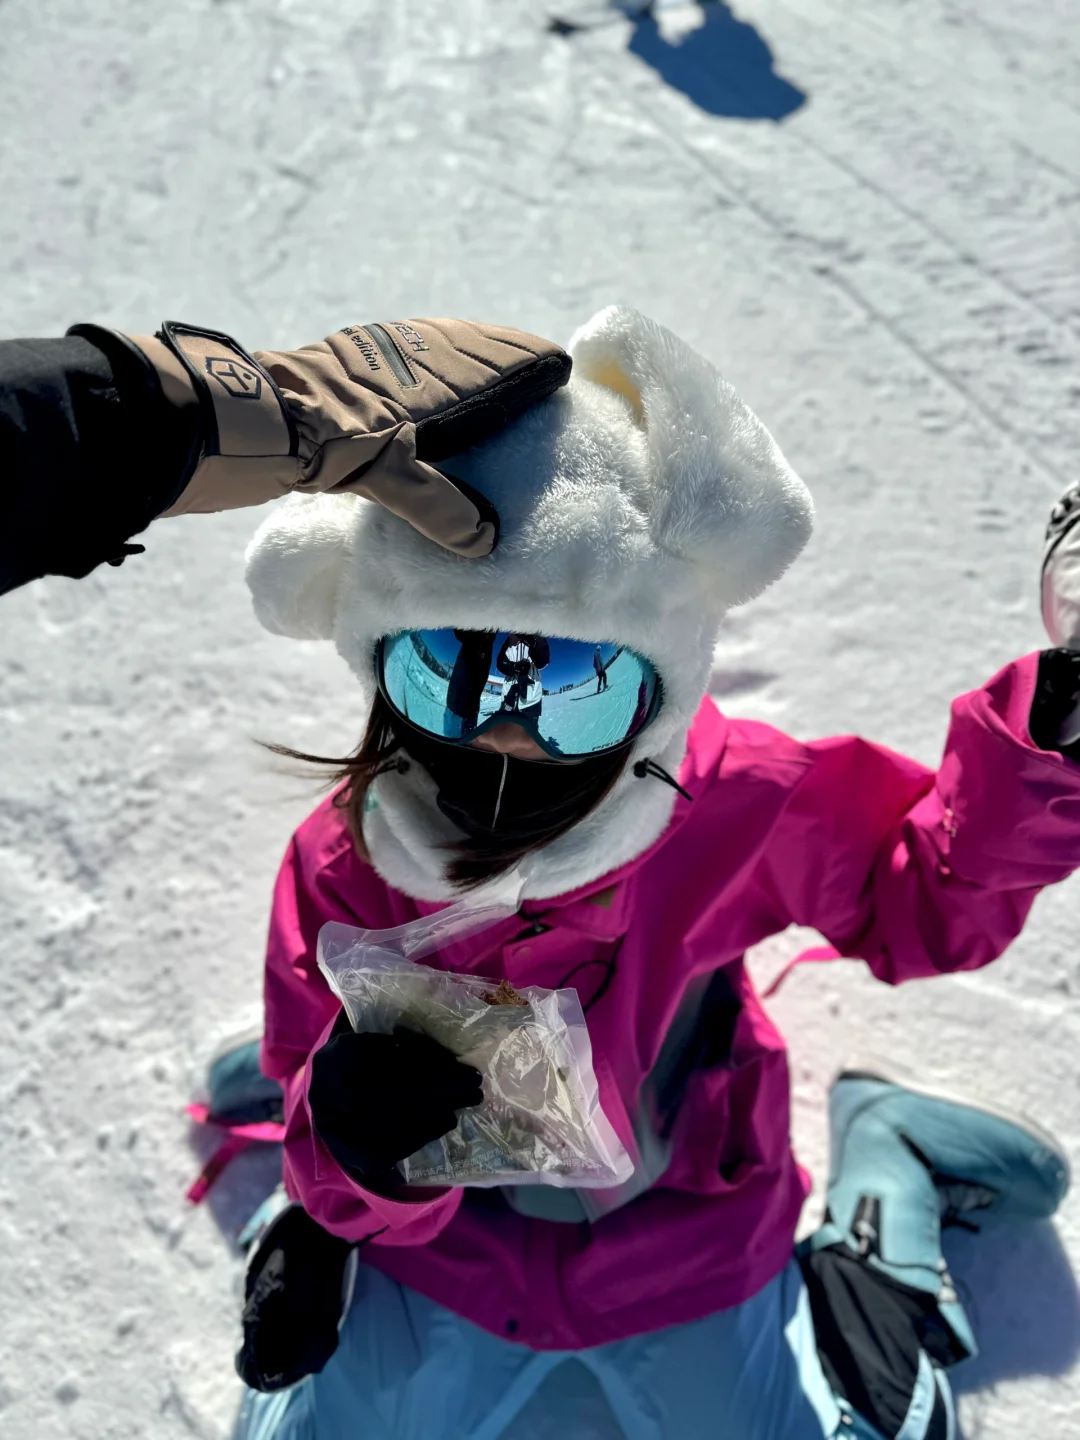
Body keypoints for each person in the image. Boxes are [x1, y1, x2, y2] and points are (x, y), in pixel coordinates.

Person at [214, 305, 1080, 1440]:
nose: (508, 735)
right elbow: (320, 1105)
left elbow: (921, 909)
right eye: (450, 674)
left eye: (578, 685)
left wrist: (1044, 750)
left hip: (686, 1240)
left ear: (659, 691)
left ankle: (888, 1179)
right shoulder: (348, 859)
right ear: (378, 667)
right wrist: (350, 1157)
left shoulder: (742, 801)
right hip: (453, 1262)